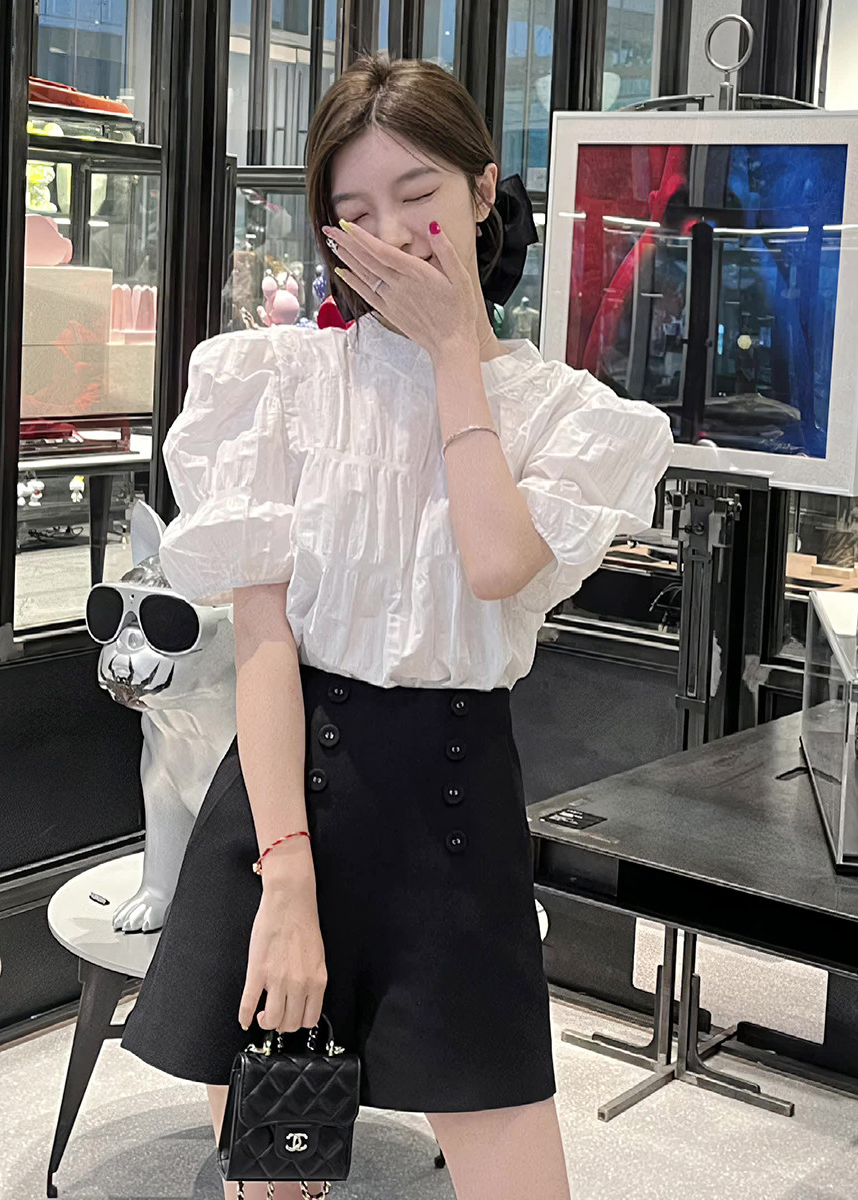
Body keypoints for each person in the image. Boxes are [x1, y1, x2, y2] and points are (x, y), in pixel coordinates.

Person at [119, 51, 674, 1200]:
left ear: (482, 192)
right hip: (285, 812)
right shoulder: (280, 382)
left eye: (417, 197)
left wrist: (455, 355)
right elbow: (266, 647)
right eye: (354, 211)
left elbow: (496, 562)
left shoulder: (567, 415)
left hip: (456, 819)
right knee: (274, 1176)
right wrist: (284, 884)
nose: (387, 238)